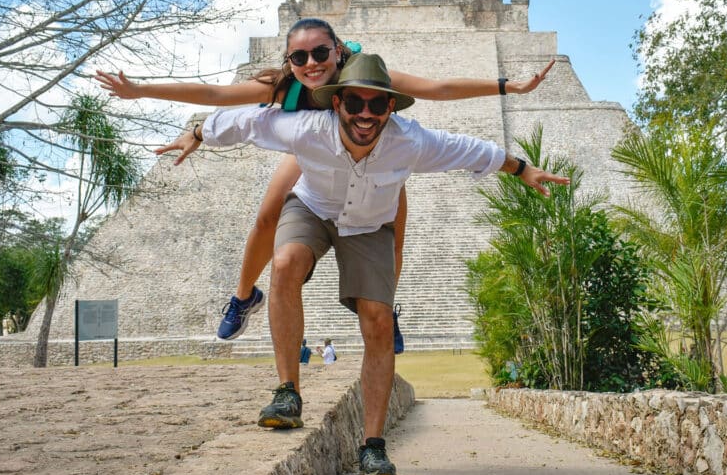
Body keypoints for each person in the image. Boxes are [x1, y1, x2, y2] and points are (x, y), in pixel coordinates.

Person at [155, 52, 568, 475]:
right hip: (313, 207)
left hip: (369, 225)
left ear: (392, 107)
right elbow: (248, 122)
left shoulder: (411, 141)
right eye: (355, 104)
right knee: (284, 262)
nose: (365, 115)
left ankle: (373, 448)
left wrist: (521, 169)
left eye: (377, 105)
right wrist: (198, 132)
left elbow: (470, 149)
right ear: (337, 104)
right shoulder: (307, 128)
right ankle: (287, 392)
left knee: (378, 322)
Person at [95, 18, 555, 343]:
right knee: (267, 216)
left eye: (320, 53)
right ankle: (243, 296)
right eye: (300, 56)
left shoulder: (367, 78)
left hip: (373, 157)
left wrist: (504, 86)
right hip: (310, 149)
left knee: (392, 229)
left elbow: (436, 89)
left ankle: (385, 310)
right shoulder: (285, 86)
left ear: (338, 51)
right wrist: (144, 93)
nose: (311, 63)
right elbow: (218, 96)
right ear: (289, 59)